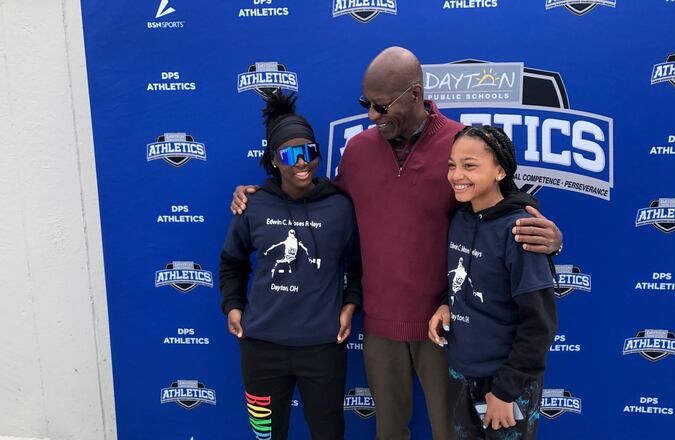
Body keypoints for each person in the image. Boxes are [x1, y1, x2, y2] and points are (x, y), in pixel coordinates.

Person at [230, 47, 563, 440]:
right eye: (365, 104)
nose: (371, 115)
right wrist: (261, 194)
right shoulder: (358, 150)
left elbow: (502, 201)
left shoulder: (458, 145)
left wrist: (550, 236)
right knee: (389, 432)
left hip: (446, 326)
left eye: (381, 105)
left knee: (450, 432)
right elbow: (319, 202)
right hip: (380, 326)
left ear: (415, 94)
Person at [219, 91, 361, 440]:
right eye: (291, 154)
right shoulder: (253, 205)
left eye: (309, 152)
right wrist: (233, 305)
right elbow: (231, 262)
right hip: (262, 347)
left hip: (322, 348)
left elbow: (358, 265)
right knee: (267, 435)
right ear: (273, 161)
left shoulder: (341, 207)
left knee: (328, 433)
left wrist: (350, 305)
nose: (302, 163)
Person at [429, 125, 557, 439]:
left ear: (500, 170)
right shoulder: (460, 219)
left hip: (506, 383)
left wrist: (505, 391)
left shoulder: (521, 231)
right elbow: (471, 277)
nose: (457, 174)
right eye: (452, 165)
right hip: (461, 374)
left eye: (469, 165)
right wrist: (447, 304)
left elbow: (539, 325)